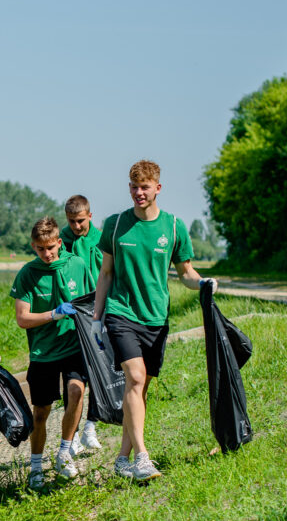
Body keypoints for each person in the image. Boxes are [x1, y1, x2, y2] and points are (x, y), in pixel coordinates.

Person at [92, 160, 216, 481]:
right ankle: (142, 459)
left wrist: (202, 284)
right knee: (134, 378)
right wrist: (96, 317)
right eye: (134, 187)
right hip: (122, 312)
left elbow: (185, 273)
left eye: (145, 187)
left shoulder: (174, 227)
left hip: (156, 318)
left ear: (157, 188)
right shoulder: (116, 225)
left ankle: (121, 458)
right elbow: (106, 273)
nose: (138, 192)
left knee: (141, 388)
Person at [11, 217, 93, 488]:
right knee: (41, 412)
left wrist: (100, 331)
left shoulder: (77, 265)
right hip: (43, 352)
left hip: (73, 345)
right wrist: (53, 314)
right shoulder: (27, 274)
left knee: (76, 392)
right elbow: (22, 318)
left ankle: (64, 453)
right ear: (33, 246)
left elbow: (92, 301)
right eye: (40, 249)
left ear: (59, 242)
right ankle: (35, 467)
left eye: (51, 248)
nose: (47, 254)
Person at [60, 194, 104, 453]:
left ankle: (91, 425)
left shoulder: (100, 239)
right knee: (73, 377)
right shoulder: (61, 240)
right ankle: (72, 434)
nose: (76, 227)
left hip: (98, 310)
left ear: (90, 215)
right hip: (73, 312)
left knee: (98, 369)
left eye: (80, 221)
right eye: (71, 221)